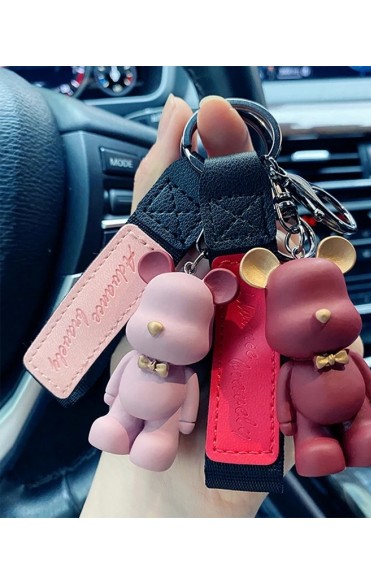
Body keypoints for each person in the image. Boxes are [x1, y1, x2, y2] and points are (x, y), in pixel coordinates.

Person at [81, 95, 295, 518]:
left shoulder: (186, 369)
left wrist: (181, 427)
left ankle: (155, 445)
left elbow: (188, 406)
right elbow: (115, 386)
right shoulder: (139, 354)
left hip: (171, 429)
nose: (159, 327)